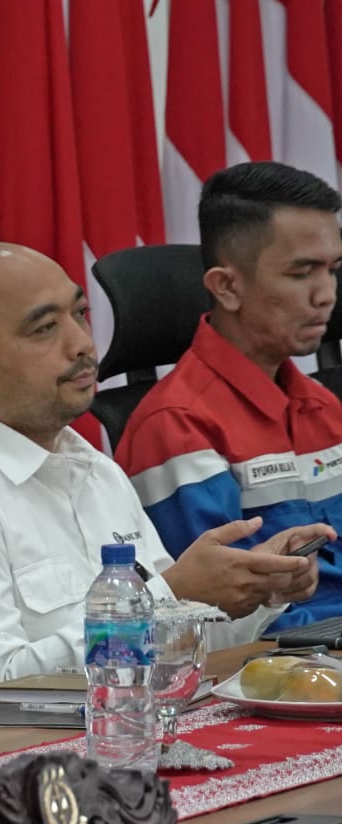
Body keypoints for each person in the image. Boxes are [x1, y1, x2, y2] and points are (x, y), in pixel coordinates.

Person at [0, 243, 331, 706]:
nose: (82, 344)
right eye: (44, 329)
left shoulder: (97, 470)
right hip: (23, 766)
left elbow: (178, 648)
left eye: (79, 314)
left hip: (140, 729)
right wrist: (168, 595)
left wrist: (256, 592)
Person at [116, 161, 342, 631]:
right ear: (227, 287)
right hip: (280, 666)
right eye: (302, 272)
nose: (326, 295)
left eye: (333, 270)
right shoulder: (176, 425)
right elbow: (225, 617)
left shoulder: (323, 404)